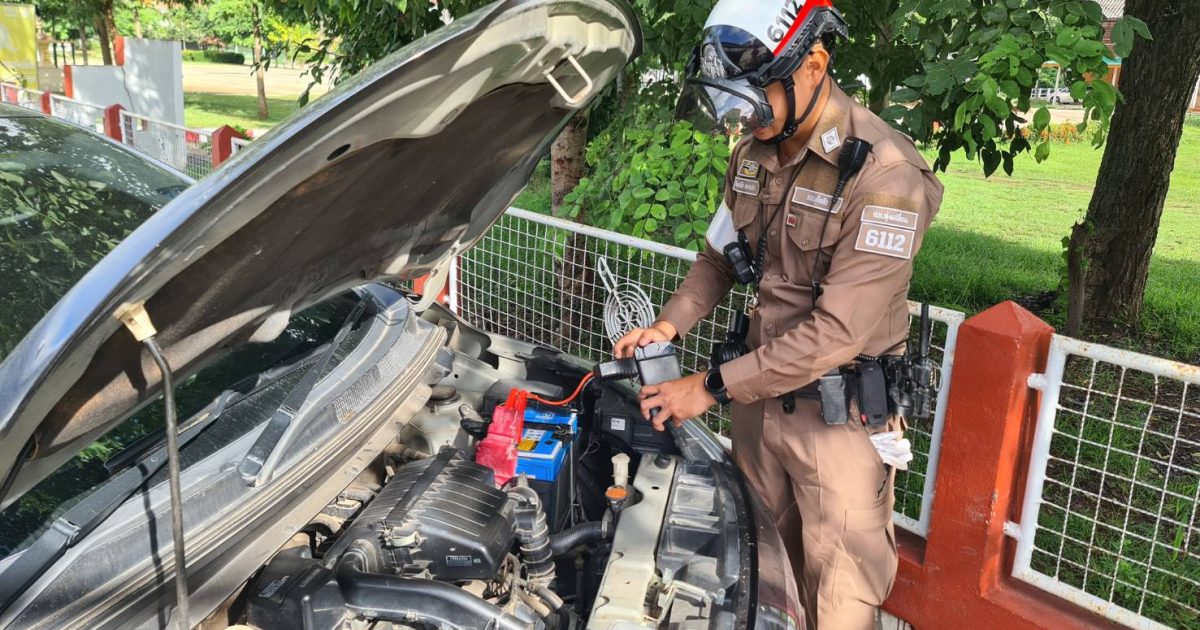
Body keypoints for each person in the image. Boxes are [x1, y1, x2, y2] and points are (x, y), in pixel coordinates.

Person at [613, 1, 944, 628]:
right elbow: (718, 257)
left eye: (756, 93)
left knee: (837, 599)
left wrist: (710, 387)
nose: (745, 114)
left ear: (814, 64)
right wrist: (669, 324)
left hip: (836, 425)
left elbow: (838, 333)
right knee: (757, 580)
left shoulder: (884, 174)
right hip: (757, 408)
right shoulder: (752, 154)